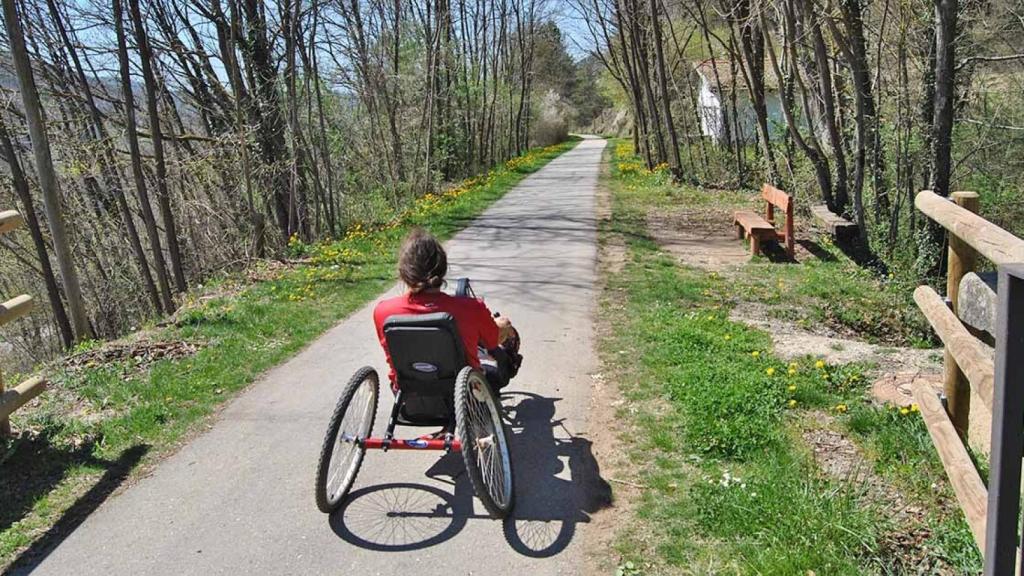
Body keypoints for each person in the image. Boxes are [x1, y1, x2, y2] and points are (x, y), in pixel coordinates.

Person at [373, 228, 522, 393]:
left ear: (403, 272)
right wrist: (504, 326)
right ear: (443, 268)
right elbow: (493, 341)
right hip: (464, 393)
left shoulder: (383, 312)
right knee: (496, 372)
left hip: (410, 395)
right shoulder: (471, 308)